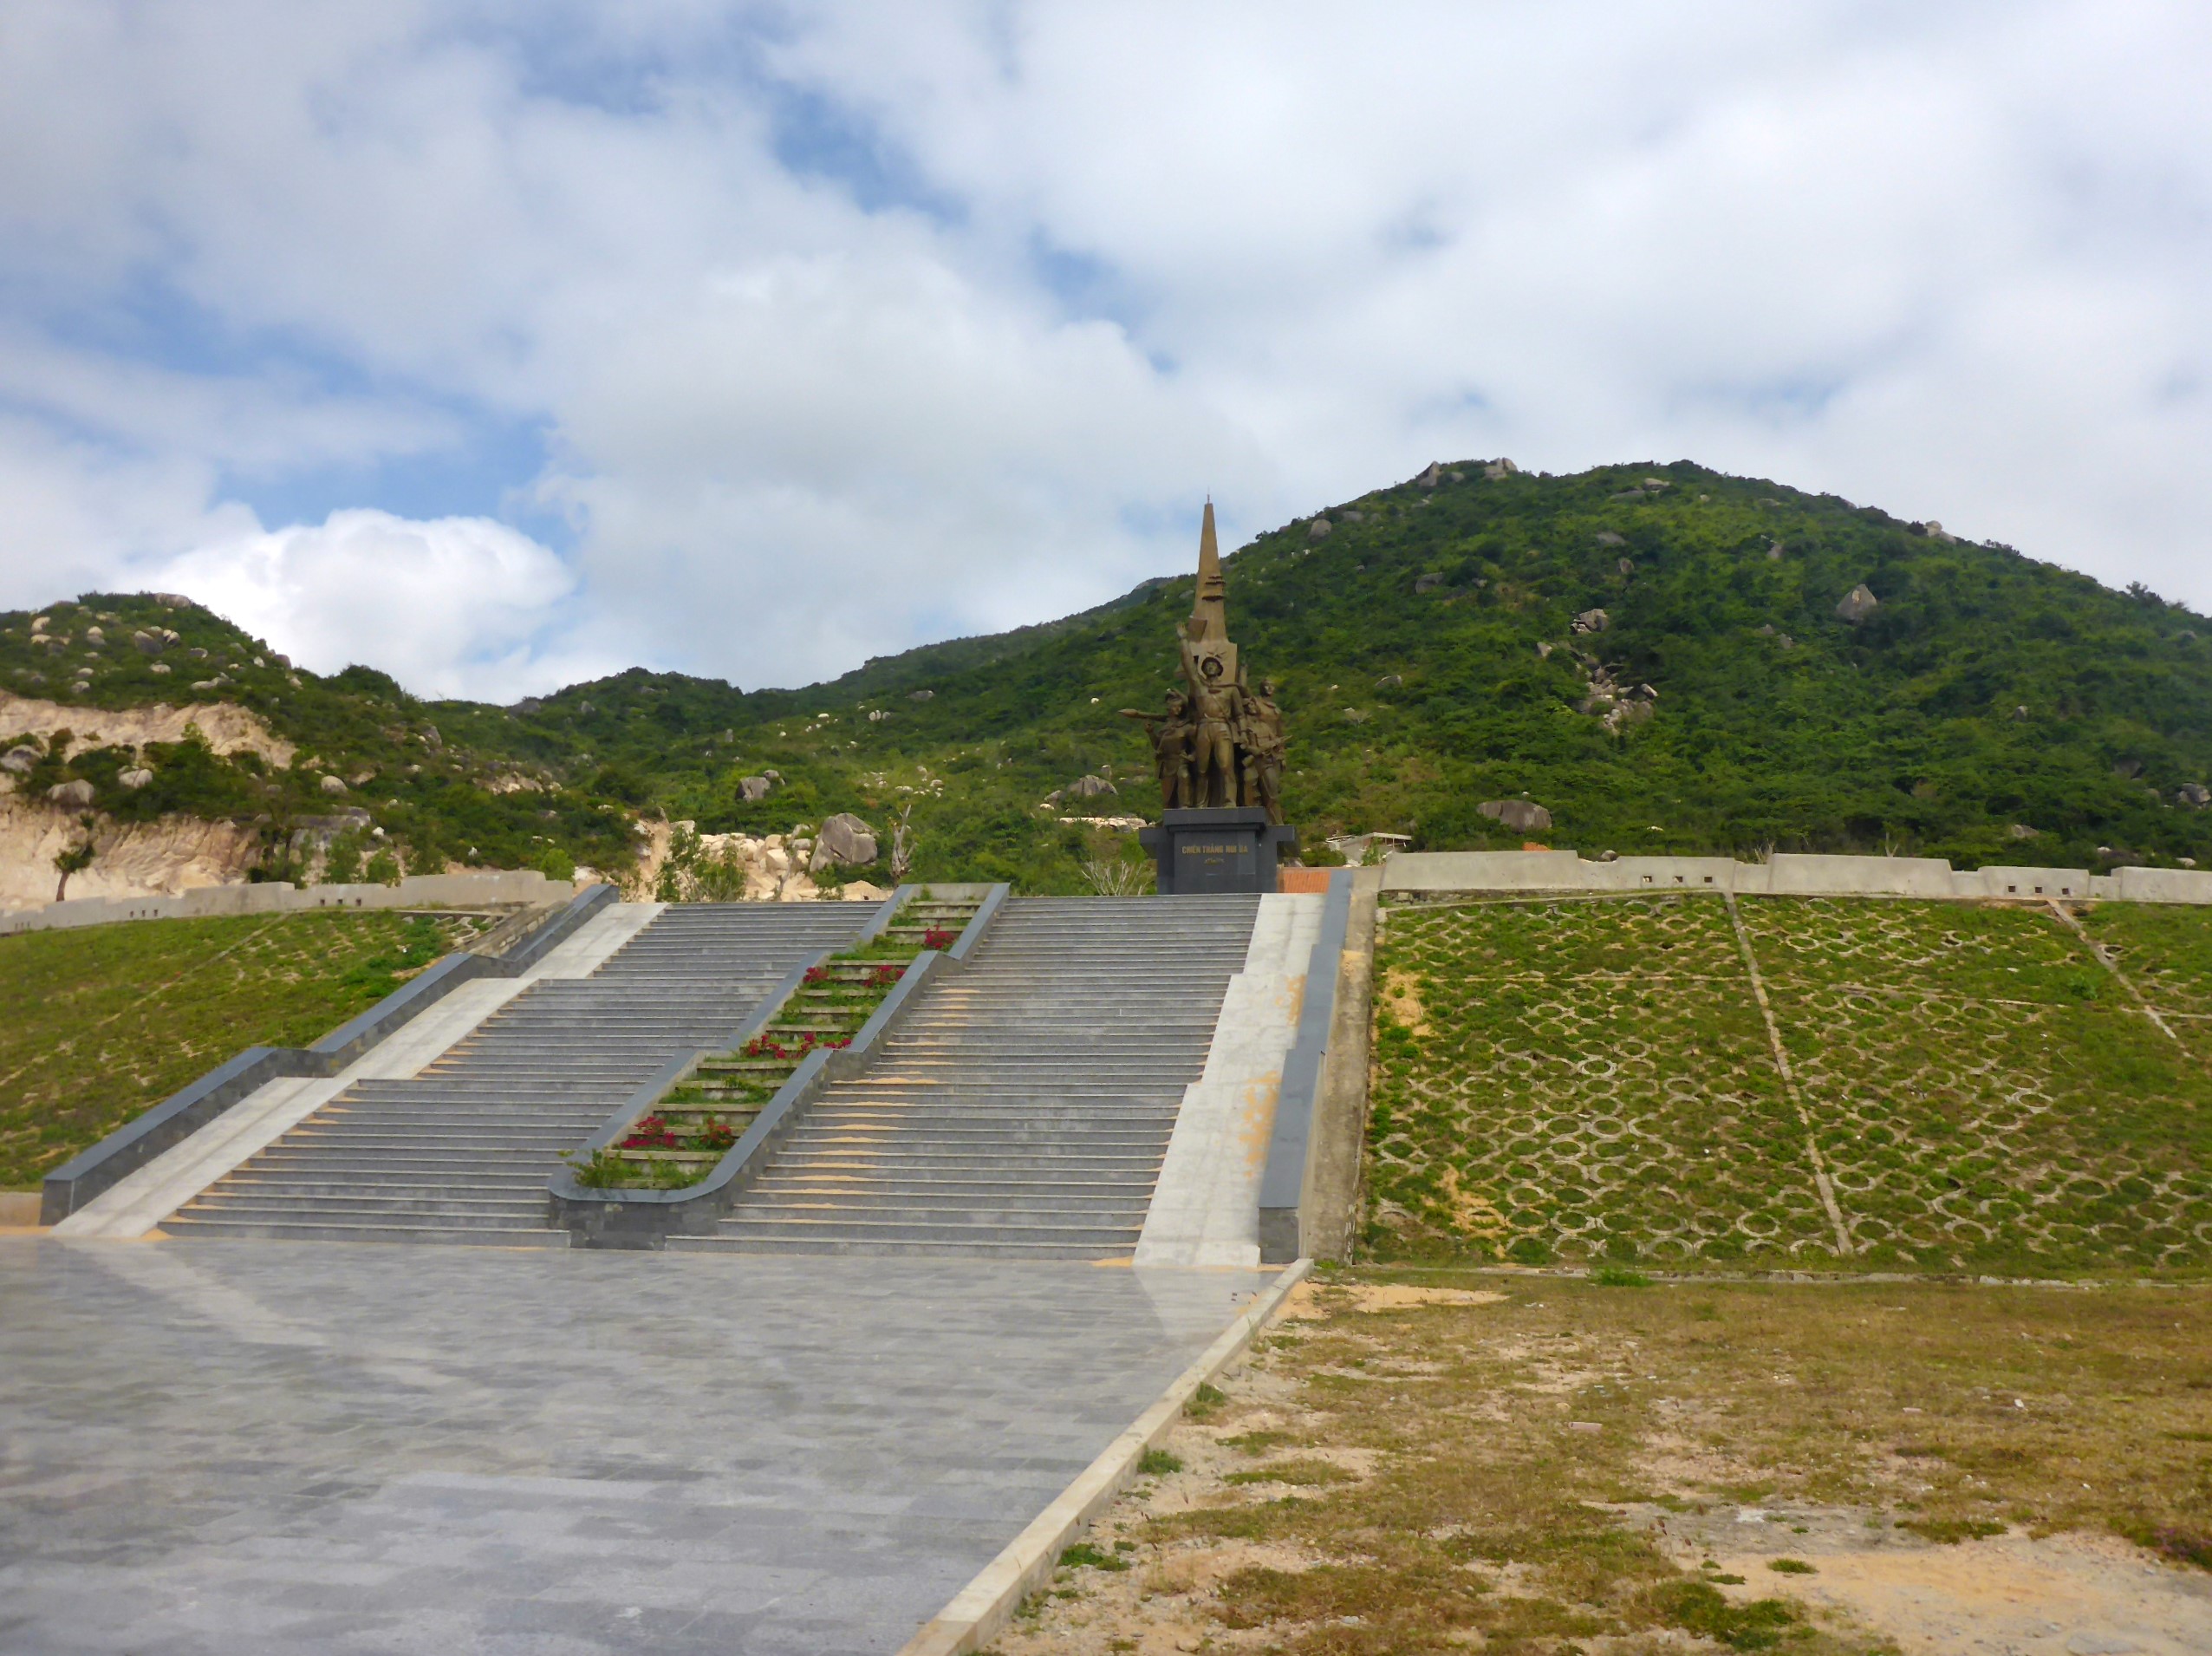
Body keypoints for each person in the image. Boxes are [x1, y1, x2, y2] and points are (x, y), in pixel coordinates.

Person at [1118, 690, 1194, 808]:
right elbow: (1157, 745)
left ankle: (1185, 811)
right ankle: (1168, 817)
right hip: (1166, 765)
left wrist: (1191, 757)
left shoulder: (1187, 727)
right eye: (1174, 707)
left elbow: (1196, 746)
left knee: (1184, 783)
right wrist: (1151, 733)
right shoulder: (1165, 729)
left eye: (1179, 707)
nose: (1177, 710)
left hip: (1181, 762)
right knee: (1167, 797)